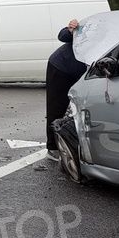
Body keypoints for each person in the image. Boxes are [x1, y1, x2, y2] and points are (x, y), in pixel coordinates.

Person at [45, 18, 86, 160]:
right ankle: (53, 148)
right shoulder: (95, 29)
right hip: (61, 67)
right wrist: (70, 29)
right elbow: (62, 36)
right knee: (57, 107)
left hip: (81, 72)